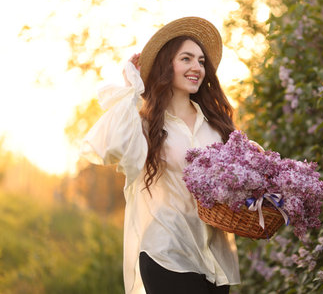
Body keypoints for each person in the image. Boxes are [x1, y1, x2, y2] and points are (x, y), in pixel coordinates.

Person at [80, 17, 240, 294]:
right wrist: (133, 88)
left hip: (215, 258)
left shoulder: (217, 126)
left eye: (201, 61)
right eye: (186, 59)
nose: (196, 68)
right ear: (167, 65)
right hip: (167, 253)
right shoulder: (145, 126)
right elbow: (105, 147)